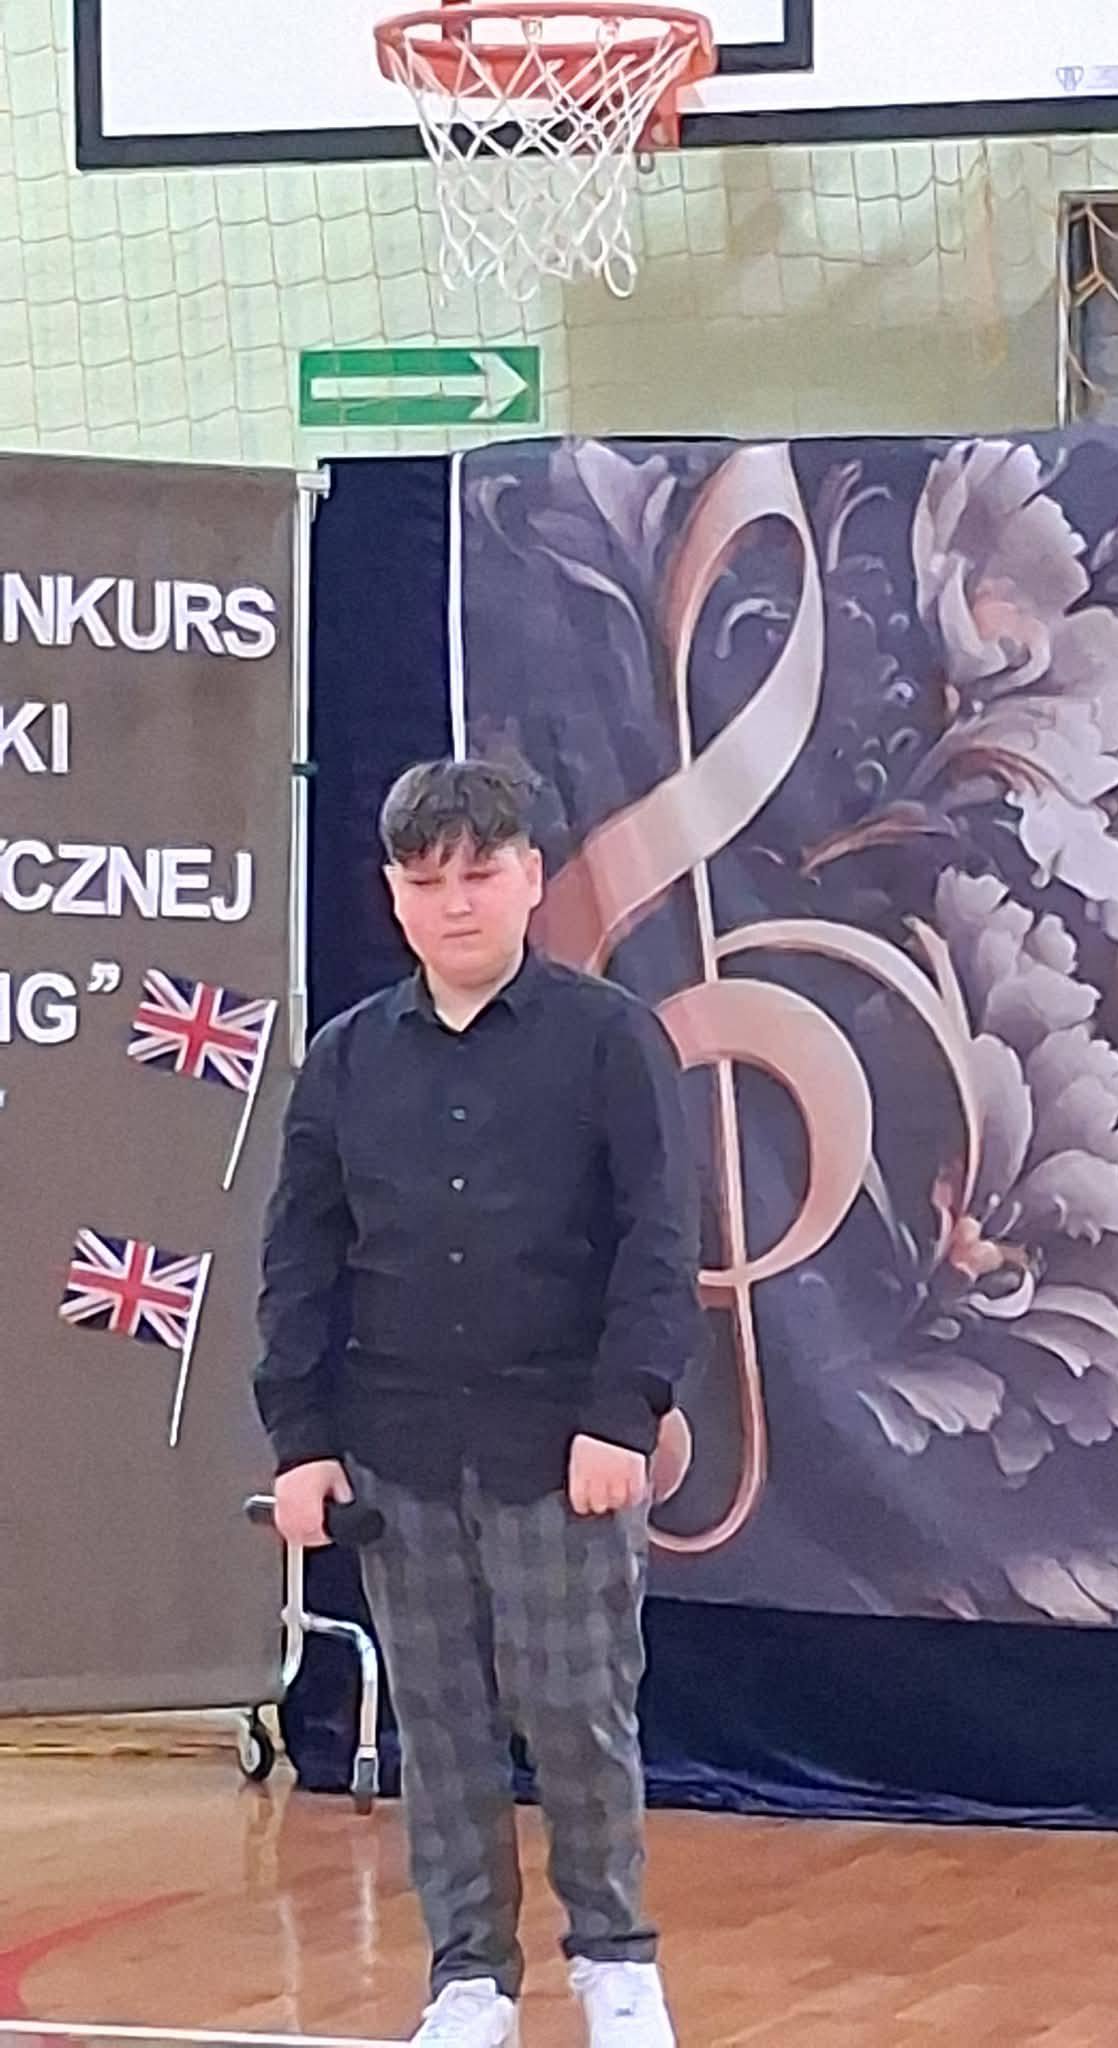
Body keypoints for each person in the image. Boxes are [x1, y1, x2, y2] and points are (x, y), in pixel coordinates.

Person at [253, 756, 702, 2048]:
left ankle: (614, 1959)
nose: (455, 903)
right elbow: (302, 1259)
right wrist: (301, 1440)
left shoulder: (609, 1039)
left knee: (575, 1712)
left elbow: (660, 1241)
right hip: (398, 1449)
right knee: (440, 1726)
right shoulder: (346, 1060)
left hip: (561, 1446)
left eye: (480, 874)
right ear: (394, 896)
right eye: (426, 879)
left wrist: (625, 1413)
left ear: (530, 880)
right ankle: (469, 1978)